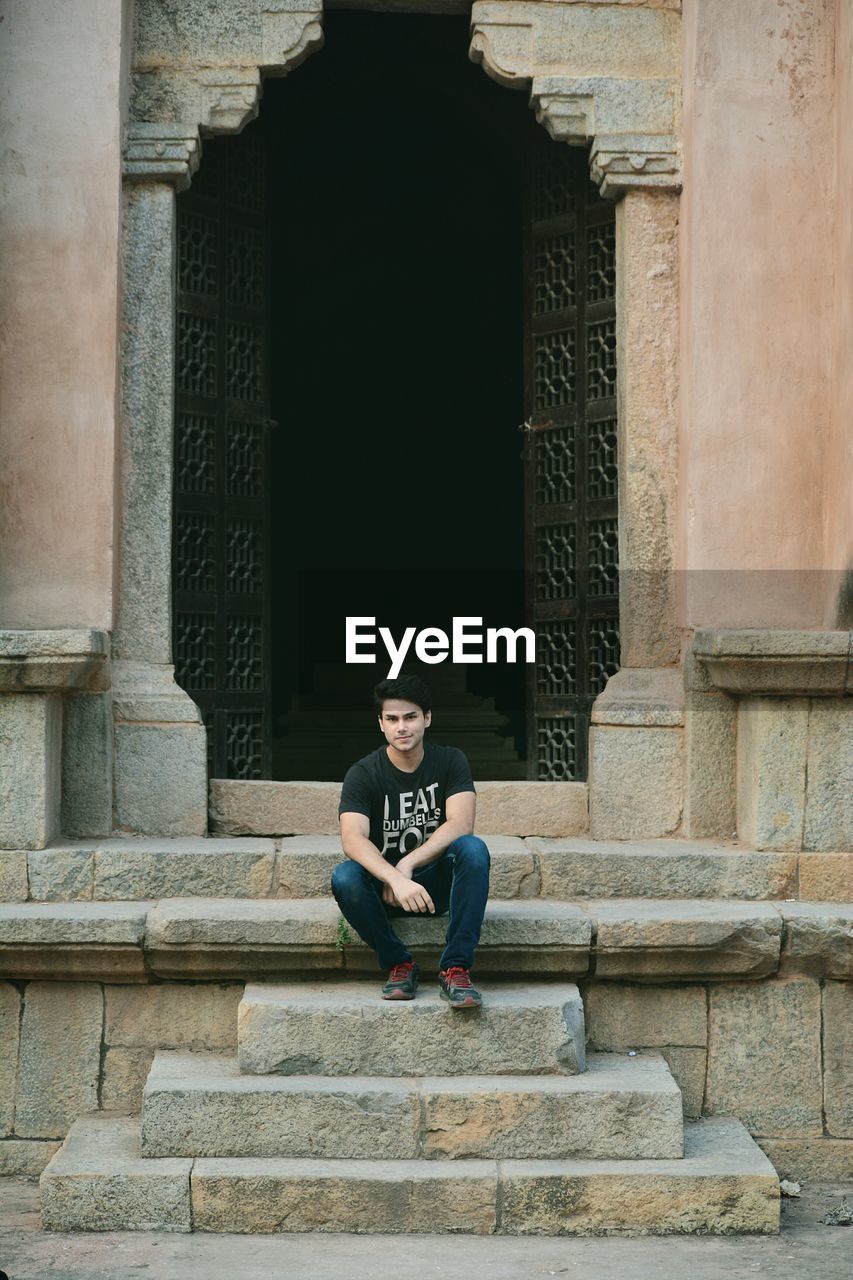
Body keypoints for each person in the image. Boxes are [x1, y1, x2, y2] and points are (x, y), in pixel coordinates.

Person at [332, 674, 491, 1008]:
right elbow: (352, 838)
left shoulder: (450, 760)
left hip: (433, 884)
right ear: (381, 724)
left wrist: (407, 863)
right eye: (392, 719)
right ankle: (399, 963)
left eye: (410, 717)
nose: (401, 727)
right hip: (385, 891)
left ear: (427, 718)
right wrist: (392, 877)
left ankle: (455, 968)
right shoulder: (363, 773)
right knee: (345, 876)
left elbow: (461, 823)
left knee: (473, 850)